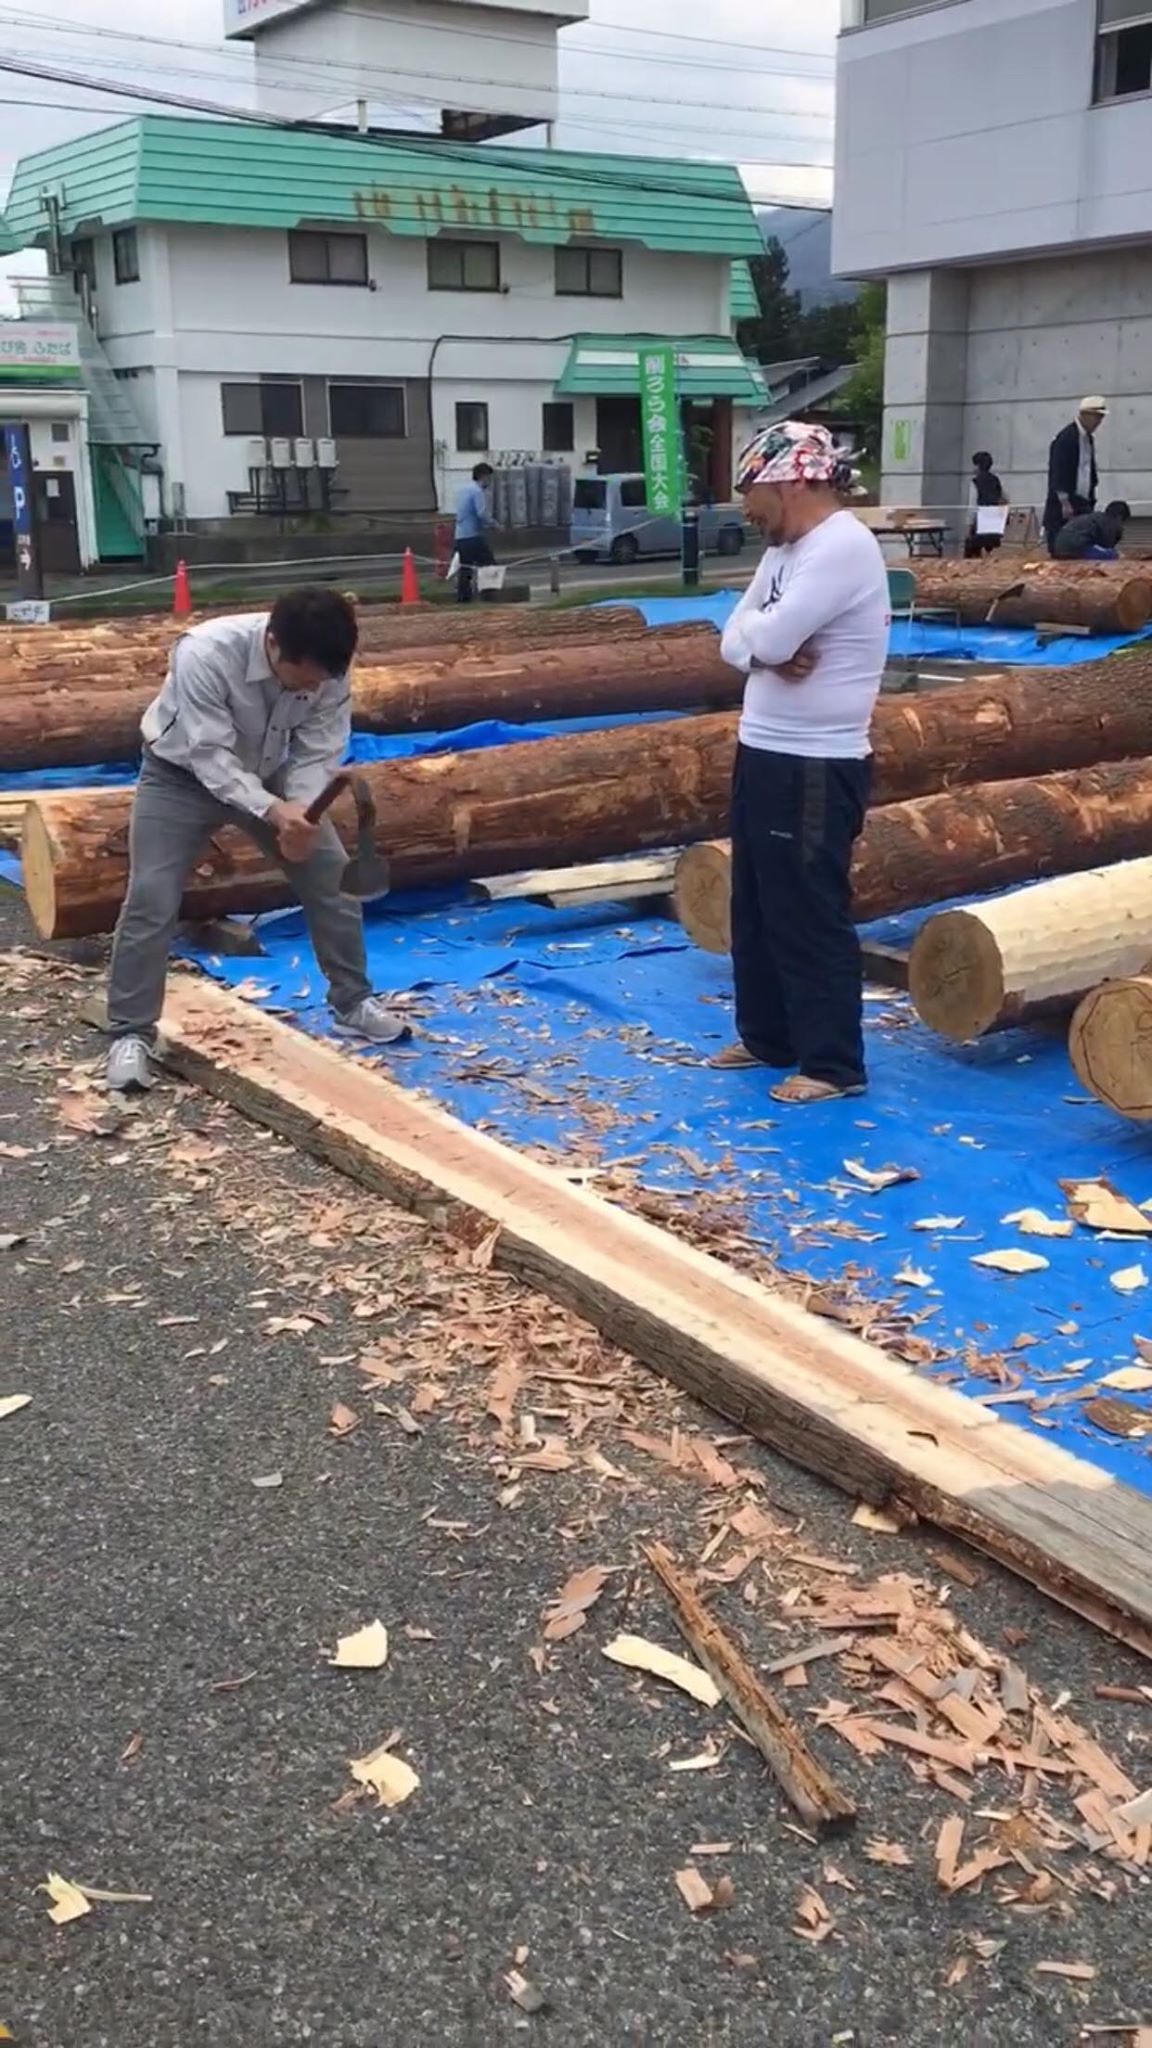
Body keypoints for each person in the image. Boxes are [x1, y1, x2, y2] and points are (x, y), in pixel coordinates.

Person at [104, 587, 408, 1093]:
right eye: (299, 679)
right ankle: (130, 1033)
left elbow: (319, 747)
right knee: (151, 897)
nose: (310, 688)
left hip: (272, 773)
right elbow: (210, 757)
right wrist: (274, 811)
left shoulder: (330, 664)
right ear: (272, 645)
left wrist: (303, 815)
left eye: (319, 680)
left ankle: (351, 1002)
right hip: (180, 774)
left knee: (332, 877)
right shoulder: (204, 652)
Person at [710, 420, 889, 1106]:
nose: (745, 509)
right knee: (753, 899)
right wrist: (763, 650)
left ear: (787, 481)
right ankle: (767, 1036)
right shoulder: (785, 551)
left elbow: (774, 632)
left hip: (816, 762)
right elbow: (736, 635)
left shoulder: (841, 546)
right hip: (763, 746)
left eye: (749, 491)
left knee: (807, 908)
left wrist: (765, 643)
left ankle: (832, 1062)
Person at [1044, 396, 1108, 556]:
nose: (1099, 422)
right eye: (1097, 417)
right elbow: (1058, 470)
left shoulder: (1088, 440)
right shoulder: (1066, 438)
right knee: (1062, 548)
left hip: (1083, 502)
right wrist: (1064, 501)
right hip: (1065, 505)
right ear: (1085, 415)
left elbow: (1088, 470)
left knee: (1082, 546)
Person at [454, 461, 496, 603]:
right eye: (489, 478)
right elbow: (481, 513)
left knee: (465, 567)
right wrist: (495, 524)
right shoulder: (477, 491)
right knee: (489, 563)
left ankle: (463, 598)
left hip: (460, 535)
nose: (490, 482)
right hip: (473, 535)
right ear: (483, 476)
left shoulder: (462, 490)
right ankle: (488, 595)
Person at [1051, 498, 1131, 561]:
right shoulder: (1108, 522)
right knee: (1112, 555)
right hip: (1077, 547)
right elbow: (1107, 545)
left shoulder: (1096, 518)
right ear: (1119, 517)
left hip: (1060, 547)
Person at [964, 450, 1006, 559]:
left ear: (977, 466)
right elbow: (1003, 499)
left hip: (980, 522)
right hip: (994, 522)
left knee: (971, 554)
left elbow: (972, 506)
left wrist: (968, 527)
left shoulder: (975, 482)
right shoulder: (996, 480)